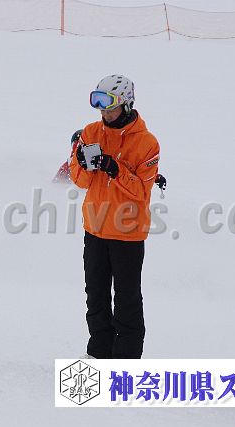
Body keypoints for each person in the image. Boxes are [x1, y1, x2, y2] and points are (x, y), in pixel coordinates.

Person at [69, 75, 160, 359]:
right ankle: (98, 353)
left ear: (126, 104)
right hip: (95, 229)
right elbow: (80, 181)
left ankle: (126, 360)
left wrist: (114, 169)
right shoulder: (90, 132)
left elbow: (141, 192)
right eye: (99, 105)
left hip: (127, 234)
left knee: (126, 301)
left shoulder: (147, 143)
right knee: (95, 296)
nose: (104, 112)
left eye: (110, 106)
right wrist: (82, 164)